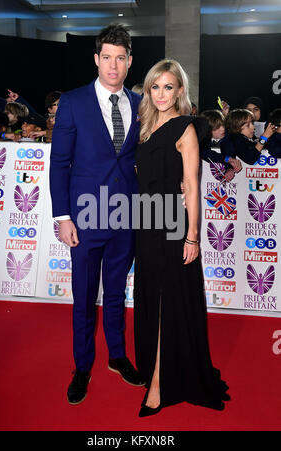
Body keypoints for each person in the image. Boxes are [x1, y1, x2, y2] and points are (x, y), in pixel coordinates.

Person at [49, 24, 145, 406]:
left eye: (120, 58)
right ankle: (83, 365)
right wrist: (63, 217)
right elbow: (59, 164)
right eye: (107, 57)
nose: (113, 65)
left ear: (130, 62)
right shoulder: (73, 102)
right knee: (84, 296)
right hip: (85, 218)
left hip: (127, 215)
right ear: (96, 59)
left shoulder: (141, 103)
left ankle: (118, 357)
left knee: (118, 293)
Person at [134, 59, 230, 417]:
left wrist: (192, 237)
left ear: (180, 91)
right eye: (155, 86)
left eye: (168, 87)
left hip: (173, 225)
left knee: (165, 299)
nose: (161, 93)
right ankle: (155, 368)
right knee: (151, 295)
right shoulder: (145, 126)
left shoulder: (185, 128)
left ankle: (160, 381)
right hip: (145, 220)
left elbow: (192, 185)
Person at [199, 109, 242, 181]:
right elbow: (205, 153)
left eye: (223, 125)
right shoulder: (199, 138)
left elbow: (228, 147)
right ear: (207, 129)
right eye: (217, 127)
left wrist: (229, 167)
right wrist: (228, 159)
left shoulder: (224, 134)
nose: (223, 129)